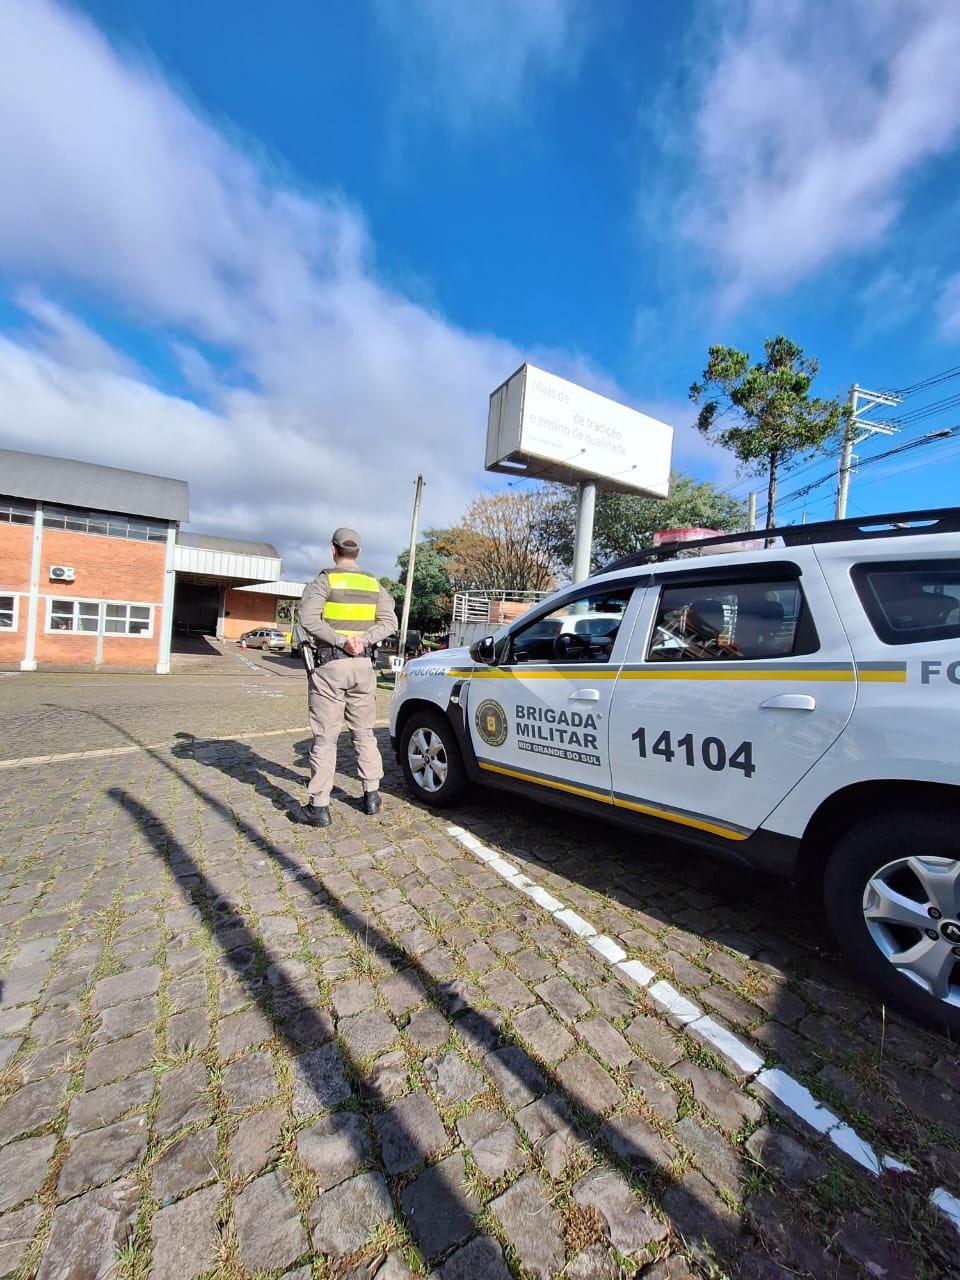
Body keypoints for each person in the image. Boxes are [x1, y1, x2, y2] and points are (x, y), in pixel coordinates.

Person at [291, 527, 398, 828]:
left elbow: (308, 619)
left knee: (326, 738)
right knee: (364, 733)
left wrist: (341, 640)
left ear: (333, 550)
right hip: (363, 668)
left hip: (331, 668)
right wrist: (363, 640)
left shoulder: (325, 580)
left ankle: (319, 807)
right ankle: (371, 795)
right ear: (358, 553)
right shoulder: (374, 584)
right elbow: (390, 621)